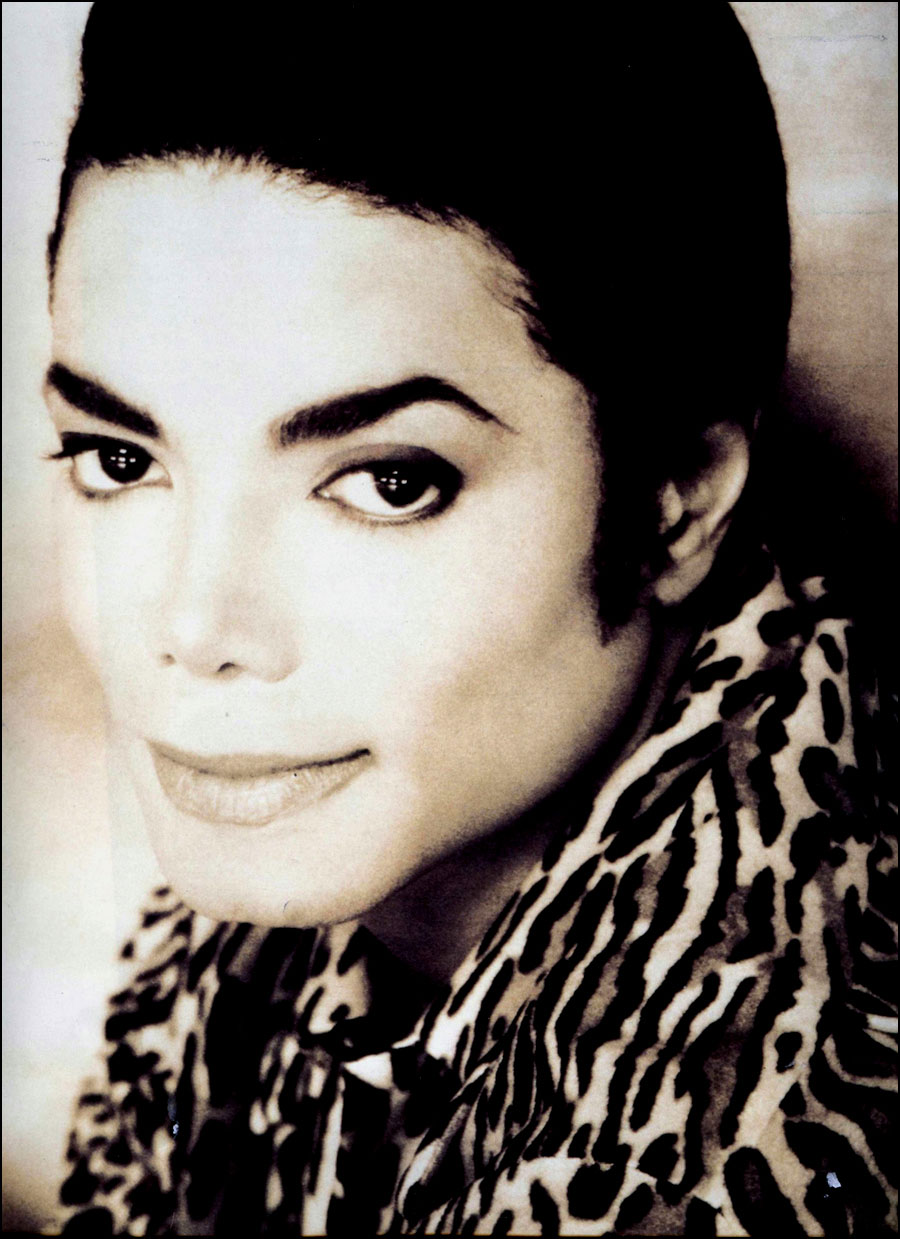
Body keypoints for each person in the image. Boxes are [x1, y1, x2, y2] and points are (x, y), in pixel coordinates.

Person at [47, 2, 895, 1234]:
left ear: (676, 499)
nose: (193, 625)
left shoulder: (745, 1152)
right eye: (121, 460)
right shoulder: (302, 873)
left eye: (390, 482)